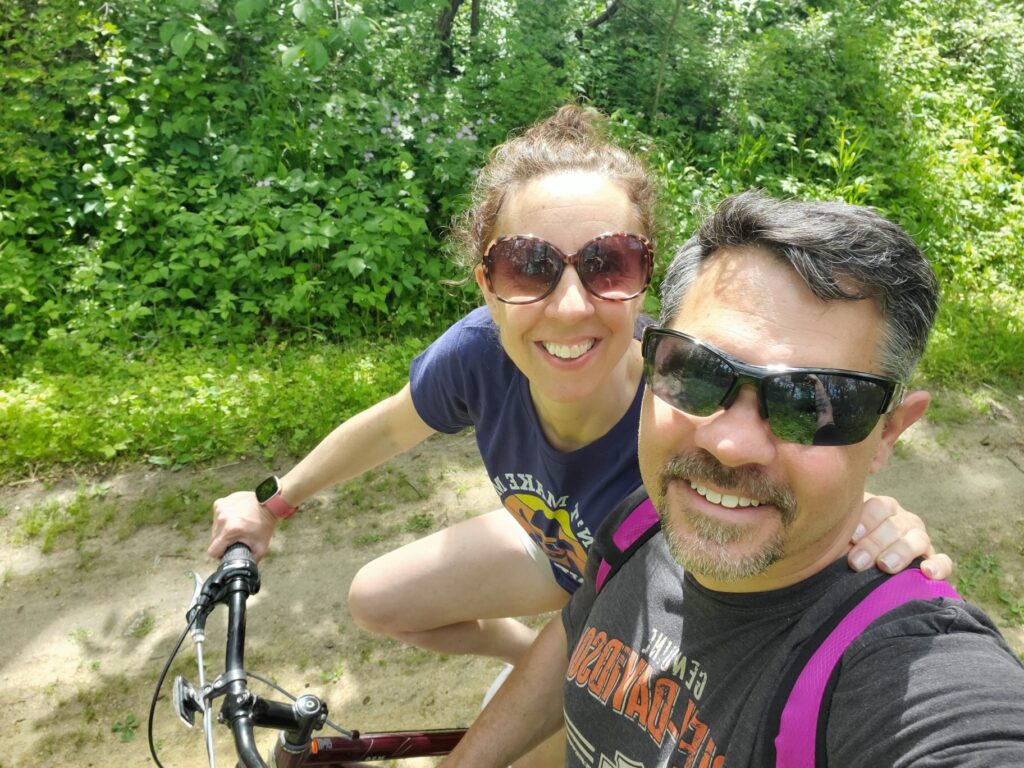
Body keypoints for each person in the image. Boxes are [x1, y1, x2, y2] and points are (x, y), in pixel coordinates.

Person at [209, 108, 949, 762]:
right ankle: (532, 654)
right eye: (528, 267)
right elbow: (389, 425)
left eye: (608, 264)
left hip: (630, 606)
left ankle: (561, 667)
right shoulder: (480, 351)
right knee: (377, 598)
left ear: (646, 284)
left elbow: (793, 503)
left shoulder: (687, 413)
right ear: (486, 286)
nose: (567, 306)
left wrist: (874, 522)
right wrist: (273, 503)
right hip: (564, 556)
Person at [441, 191, 1024, 767]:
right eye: (696, 372)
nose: (728, 443)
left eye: (813, 402)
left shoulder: (897, 668)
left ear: (888, 432)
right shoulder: (642, 520)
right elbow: (577, 637)